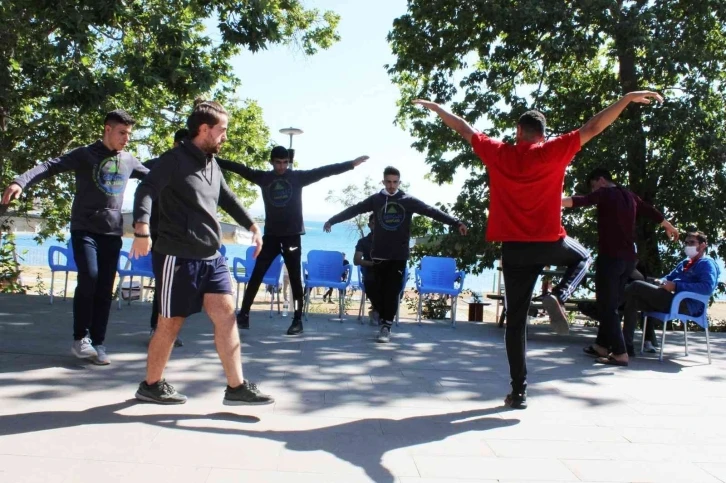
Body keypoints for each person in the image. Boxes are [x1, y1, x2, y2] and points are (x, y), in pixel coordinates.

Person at [414, 90, 663, 409]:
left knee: (516, 323)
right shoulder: (554, 150)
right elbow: (593, 127)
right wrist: (626, 98)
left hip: (514, 251)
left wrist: (436, 107)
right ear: (544, 135)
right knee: (584, 257)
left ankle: (518, 391)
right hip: (549, 243)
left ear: (518, 132)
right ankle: (558, 294)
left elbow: (464, 128)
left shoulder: (499, 152)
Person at [130, 99, 271, 405]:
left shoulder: (212, 164)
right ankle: (151, 384)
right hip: (177, 258)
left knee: (226, 316)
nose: (225, 136)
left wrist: (253, 225)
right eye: (222, 130)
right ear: (204, 129)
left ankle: (236, 387)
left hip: (211, 257)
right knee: (170, 323)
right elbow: (145, 191)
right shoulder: (174, 160)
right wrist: (142, 230)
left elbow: (228, 198)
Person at [2, 110, 148, 365]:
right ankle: (80, 338)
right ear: (107, 129)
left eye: (129, 134)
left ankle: (98, 343)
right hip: (84, 229)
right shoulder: (85, 154)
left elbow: (154, 180)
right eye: (122, 133)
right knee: (89, 277)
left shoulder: (129, 160)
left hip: (112, 232)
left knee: (105, 288)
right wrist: (20, 182)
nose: (126, 139)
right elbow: (50, 166)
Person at [217, 147, 368, 336]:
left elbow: (324, 171)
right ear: (271, 162)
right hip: (271, 236)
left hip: (292, 237)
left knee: (295, 278)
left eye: (285, 162)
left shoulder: (297, 178)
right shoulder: (264, 178)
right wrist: (213, 158)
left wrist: (351, 165)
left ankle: (297, 320)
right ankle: (244, 315)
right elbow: (239, 168)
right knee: (257, 274)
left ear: (289, 162)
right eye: (278, 162)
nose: (281, 166)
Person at [324, 166, 468, 343]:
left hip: (398, 255)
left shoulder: (407, 200)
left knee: (392, 291)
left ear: (399, 182)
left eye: (395, 182)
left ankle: (386, 327)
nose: (392, 186)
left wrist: (456, 222)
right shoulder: (376, 200)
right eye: (388, 182)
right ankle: (380, 313)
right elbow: (354, 209)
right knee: (376, 289)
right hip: (378, 255)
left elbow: (431, 211)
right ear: (383, 182)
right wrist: (332, 220)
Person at [562, 168, 679, 366]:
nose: (593, 190)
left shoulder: (605, 193)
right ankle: (601, 345)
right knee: (611, 304)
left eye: (593, 186)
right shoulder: (630, 196)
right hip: (628, 261)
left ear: (600, 180)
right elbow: (649, 210)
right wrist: (668, 225)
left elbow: (579, 201)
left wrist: (550, 200)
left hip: (611, 258)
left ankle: (620, 353)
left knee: (606, 306)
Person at [621, 230, 720, 361]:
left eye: (692, 242)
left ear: (703, 245)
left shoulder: (707, 264)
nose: (688, 245)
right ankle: (626, 347)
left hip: (685, 304)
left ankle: (609, 302)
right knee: (633, 299)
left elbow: (707, 287)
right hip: (672, 300)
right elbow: (669, 277)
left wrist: (676, 286)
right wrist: (660, 281)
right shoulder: (686, 262)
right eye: (686, 242)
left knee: (636, 286)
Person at [144, 128, 189, 347]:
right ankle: (157, 329)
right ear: (173, 143)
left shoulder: (192, 168)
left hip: (182, 236)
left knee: (176, 286)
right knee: (164, 283)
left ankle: (168, 329)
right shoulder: (157, 164)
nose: (182, 146)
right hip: (159, 234)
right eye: (179, 142)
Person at [354, 213, 379, 325]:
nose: (376, 226)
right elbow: (357, 260)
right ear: (369, 225)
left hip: (387, 271)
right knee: (371, 280)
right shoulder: (363, 242)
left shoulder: (390, 242)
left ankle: (377, 311)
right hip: (371, 271)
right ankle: (378, 311)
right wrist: (372, 264)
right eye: (374, 223)